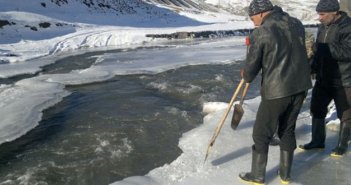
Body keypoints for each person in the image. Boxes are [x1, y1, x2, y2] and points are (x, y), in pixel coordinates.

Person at [238, 0, 312, 184]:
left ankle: (257, 175)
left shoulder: (261, 31)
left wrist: (246, 74)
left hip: (277, 90)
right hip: (301, 86)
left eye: (252, 16)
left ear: (261, 13)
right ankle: (285, 175)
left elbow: (251, 69)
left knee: (261, 133)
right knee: (287, 129)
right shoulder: (296, 23)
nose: (252, 20)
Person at [299, 0, 351, 157]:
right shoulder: (322, 27)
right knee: (316, 108)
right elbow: (318, 51)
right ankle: (317, 141)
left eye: (322, 14)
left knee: (346, 113)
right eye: (318, 14)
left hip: (343, 78)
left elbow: (348, 52)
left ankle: (342, 145)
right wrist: (312, 67)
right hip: (323, 77)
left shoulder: (348, 26)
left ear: (334, 12)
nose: (319, 18)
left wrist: (324, 48)